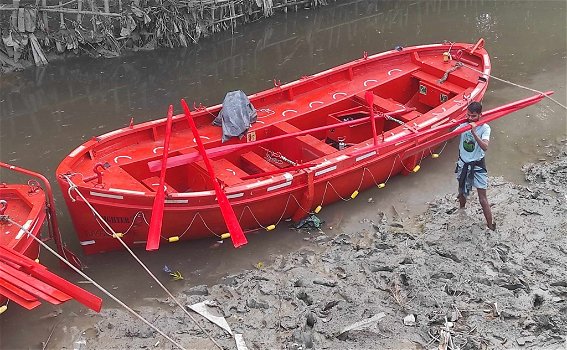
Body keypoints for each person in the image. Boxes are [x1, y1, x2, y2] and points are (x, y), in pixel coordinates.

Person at [455, 101, 496, 230]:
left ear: (480, 115)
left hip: (478, 165)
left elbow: (485, 147)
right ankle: (462, 211)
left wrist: (473, 132)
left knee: (483, 199)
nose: (470, 118)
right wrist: (453, 124)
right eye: (468, 115)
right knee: (461, 191)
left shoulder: (485, 128)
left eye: (473, 116)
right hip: (463, 163)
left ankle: (490, 226)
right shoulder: (463, 124)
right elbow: (450, 136)